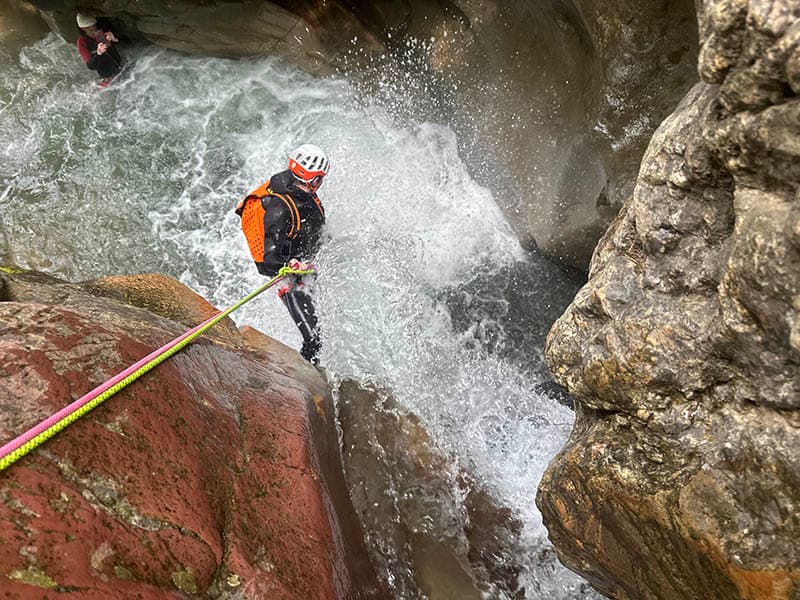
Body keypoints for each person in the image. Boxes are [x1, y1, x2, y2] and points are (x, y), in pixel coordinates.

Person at [235, 144, 330, 364]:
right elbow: (267, 262)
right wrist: (290, 265)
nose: (320, 183)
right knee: (314, 340)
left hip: (306, 266)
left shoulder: (302, 193)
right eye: (318, 179)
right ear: (309, 179)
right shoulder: (279, 209)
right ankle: (307, 383)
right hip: (288, 279)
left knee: (323, 331)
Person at [76, 13, 122, 86]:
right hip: (108, 76)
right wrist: (98, 54)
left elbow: (127, 42)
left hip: (121, 66)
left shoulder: (101, 32)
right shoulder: (82, 42)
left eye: (94, 28)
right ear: (83, 29)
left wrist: (115, 38)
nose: (94, 32)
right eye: (90, 30)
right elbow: (91, 66)